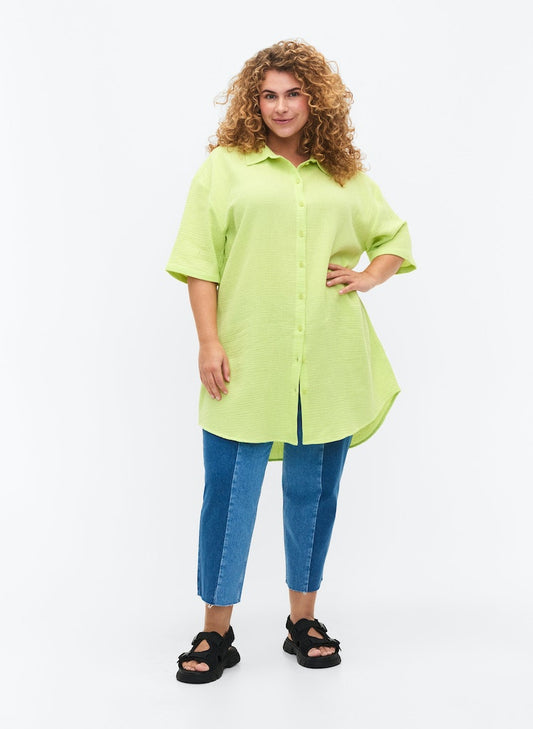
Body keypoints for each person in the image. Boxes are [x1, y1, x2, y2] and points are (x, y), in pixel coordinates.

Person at [165, 39, 416, 684]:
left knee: (314, 493)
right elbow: (200, 261)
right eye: (269, 95)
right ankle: (215, 630)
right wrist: (209, 341)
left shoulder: (344, 174)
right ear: (253, 101)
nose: (281, 106)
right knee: (228, 496)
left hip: (330, 358)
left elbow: (393, 236)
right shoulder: (225, 168)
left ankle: (303, 621)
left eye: (294, 93)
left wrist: (369, 275)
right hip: (247, 358)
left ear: (315, 99)